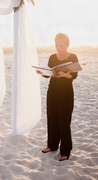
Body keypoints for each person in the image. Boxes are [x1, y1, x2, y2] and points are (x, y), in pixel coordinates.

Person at [36, 33, 79, 161]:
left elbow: (75, 74)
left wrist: (68, 76)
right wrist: (42, 72)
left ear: (67, 45)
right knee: (52, 118)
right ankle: (52, 145)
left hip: (66, 93)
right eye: (56, 45)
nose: (58, 48)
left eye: (61, 45)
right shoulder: (52, 57)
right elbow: (49, 74)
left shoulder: (73, 57)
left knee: (64, 121)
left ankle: (65, 151)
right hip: (53, 91)